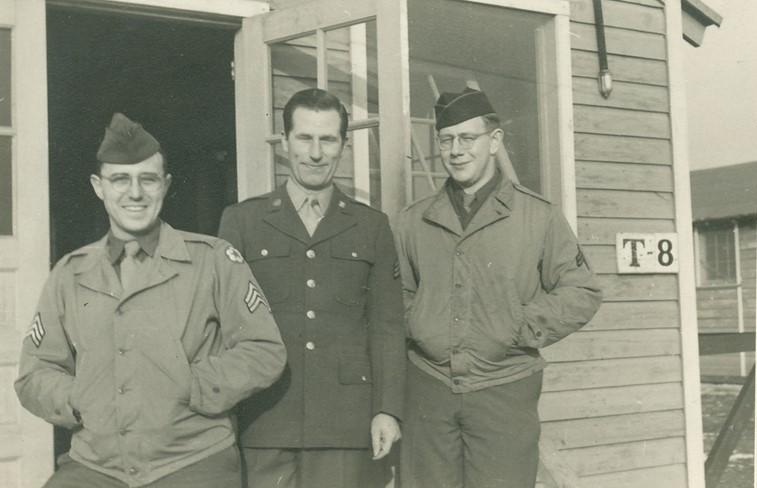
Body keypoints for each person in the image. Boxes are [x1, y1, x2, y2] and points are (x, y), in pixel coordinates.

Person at [15, 113, 287, 488]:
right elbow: (34, 374)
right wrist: (79, 397)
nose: (135, 193)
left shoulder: (212, 260)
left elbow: (264, 349)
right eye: (120, 180)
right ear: (99, 186)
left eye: (148, 179)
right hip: (97, 466)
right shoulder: (69, 273)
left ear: (166, 184)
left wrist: (193, 386)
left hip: (192, 461)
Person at [394, 88, 603, 488]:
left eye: (467, 138)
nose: (456, 150)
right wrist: (422, 324)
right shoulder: (412, 221)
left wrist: (518, 327)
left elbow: (582, 291)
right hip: (428, 388)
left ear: (494, 141)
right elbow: (397, 293)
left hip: (504, 389)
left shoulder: (538, 216)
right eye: (446, 139)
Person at [218, 88, 406, 488]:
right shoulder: (243, 222)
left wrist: (387, 410)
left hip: (344, 423)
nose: (315, 153)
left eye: (328, 139)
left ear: (343, 145)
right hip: (264, 419)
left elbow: (387, 326)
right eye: (304, 138)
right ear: (285, 142)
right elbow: (222, 326)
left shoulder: (371, 226)